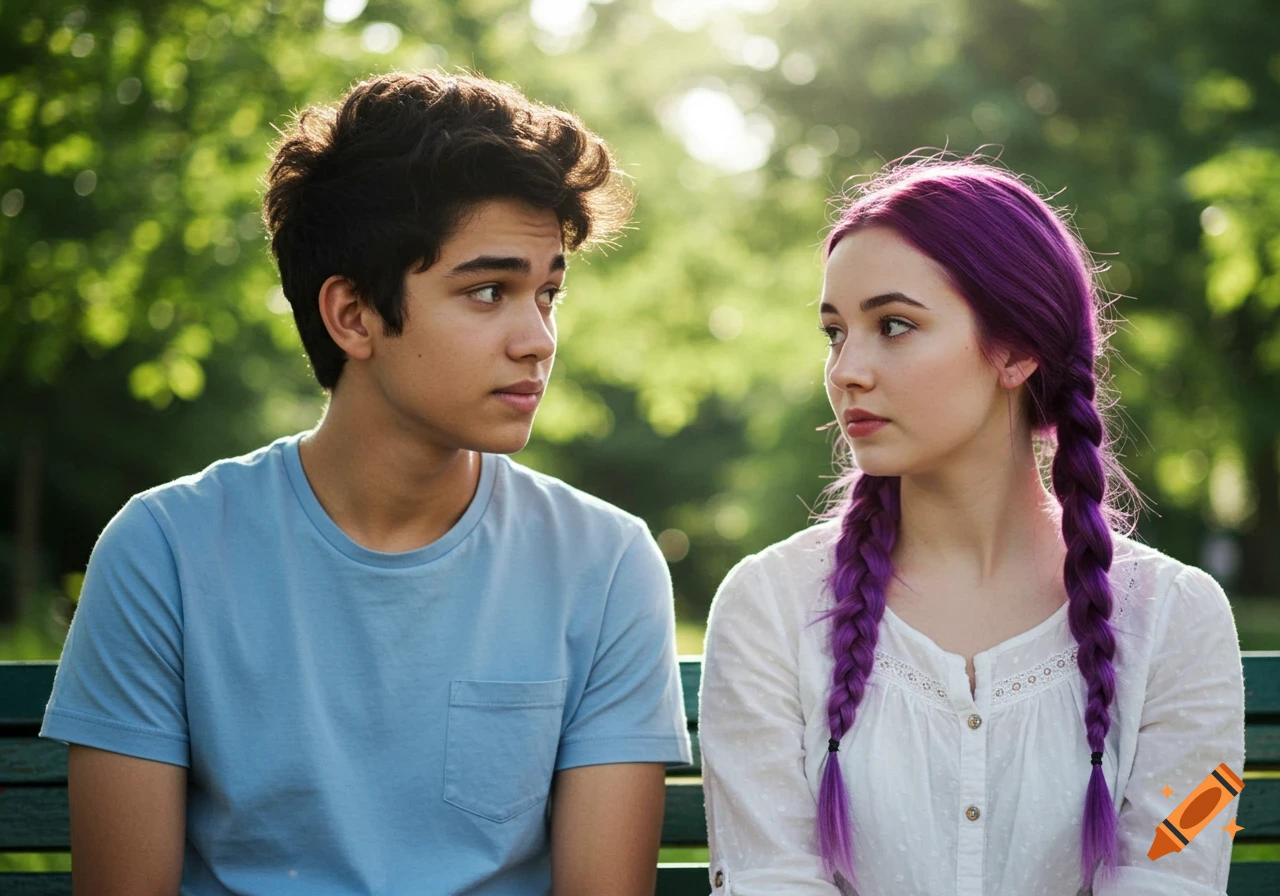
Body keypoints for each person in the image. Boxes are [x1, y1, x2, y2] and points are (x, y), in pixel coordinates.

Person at [40, 71, 691, 896]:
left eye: (548, 293)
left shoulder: (604, 562)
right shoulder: (164, 552)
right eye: (488, 291)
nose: (537, 339)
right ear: (352, 316)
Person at [699, 154, 1245, 895]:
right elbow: (767, 878)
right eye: (834, 333)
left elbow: (1180, 867)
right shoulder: (767, 606)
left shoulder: (1179, 618)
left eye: (893, 325)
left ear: (1015, 350)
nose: (845, 370)